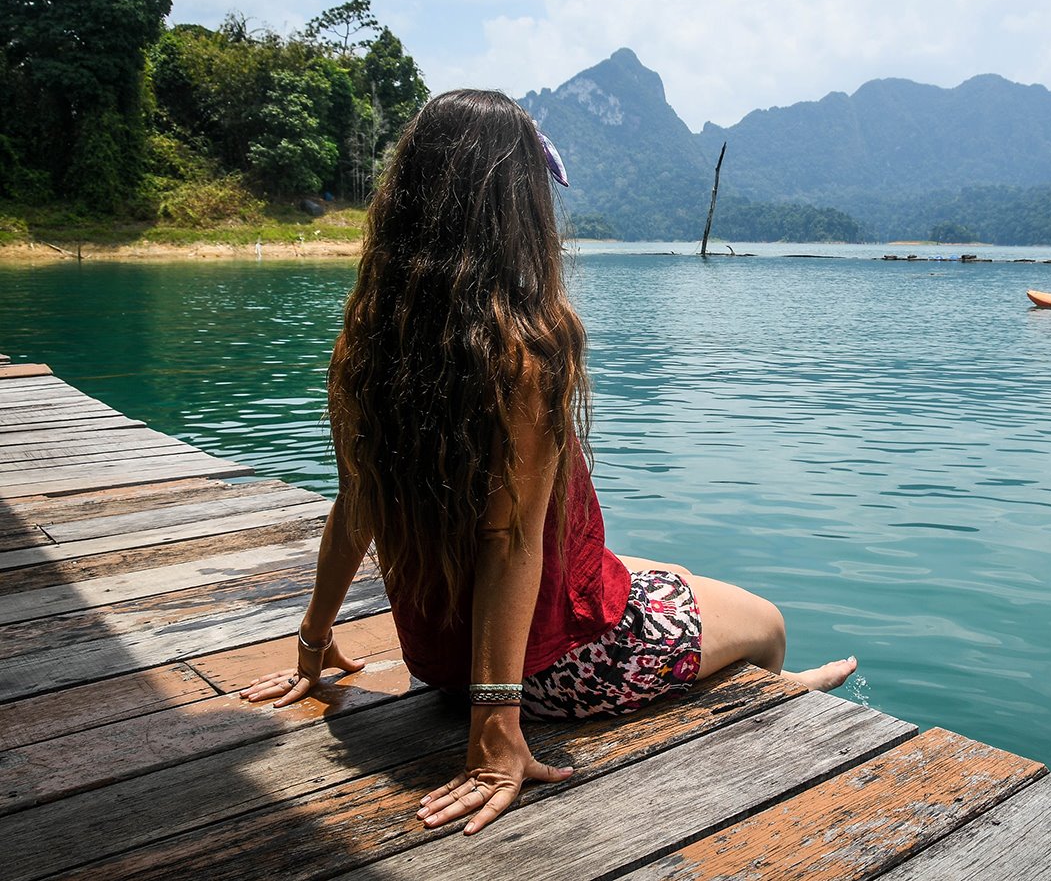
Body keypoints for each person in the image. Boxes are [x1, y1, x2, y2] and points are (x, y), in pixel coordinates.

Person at [239, 89, 856, 836]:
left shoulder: (368, 342)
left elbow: (354, 507)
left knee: (665, 575)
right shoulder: (525, 347)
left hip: (439, 654)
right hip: (542, 673)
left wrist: (312, 643)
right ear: (517, 208)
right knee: (765, 622)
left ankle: (713, 663)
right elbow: (508, 542)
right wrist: (494, 728)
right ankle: (772, 693)